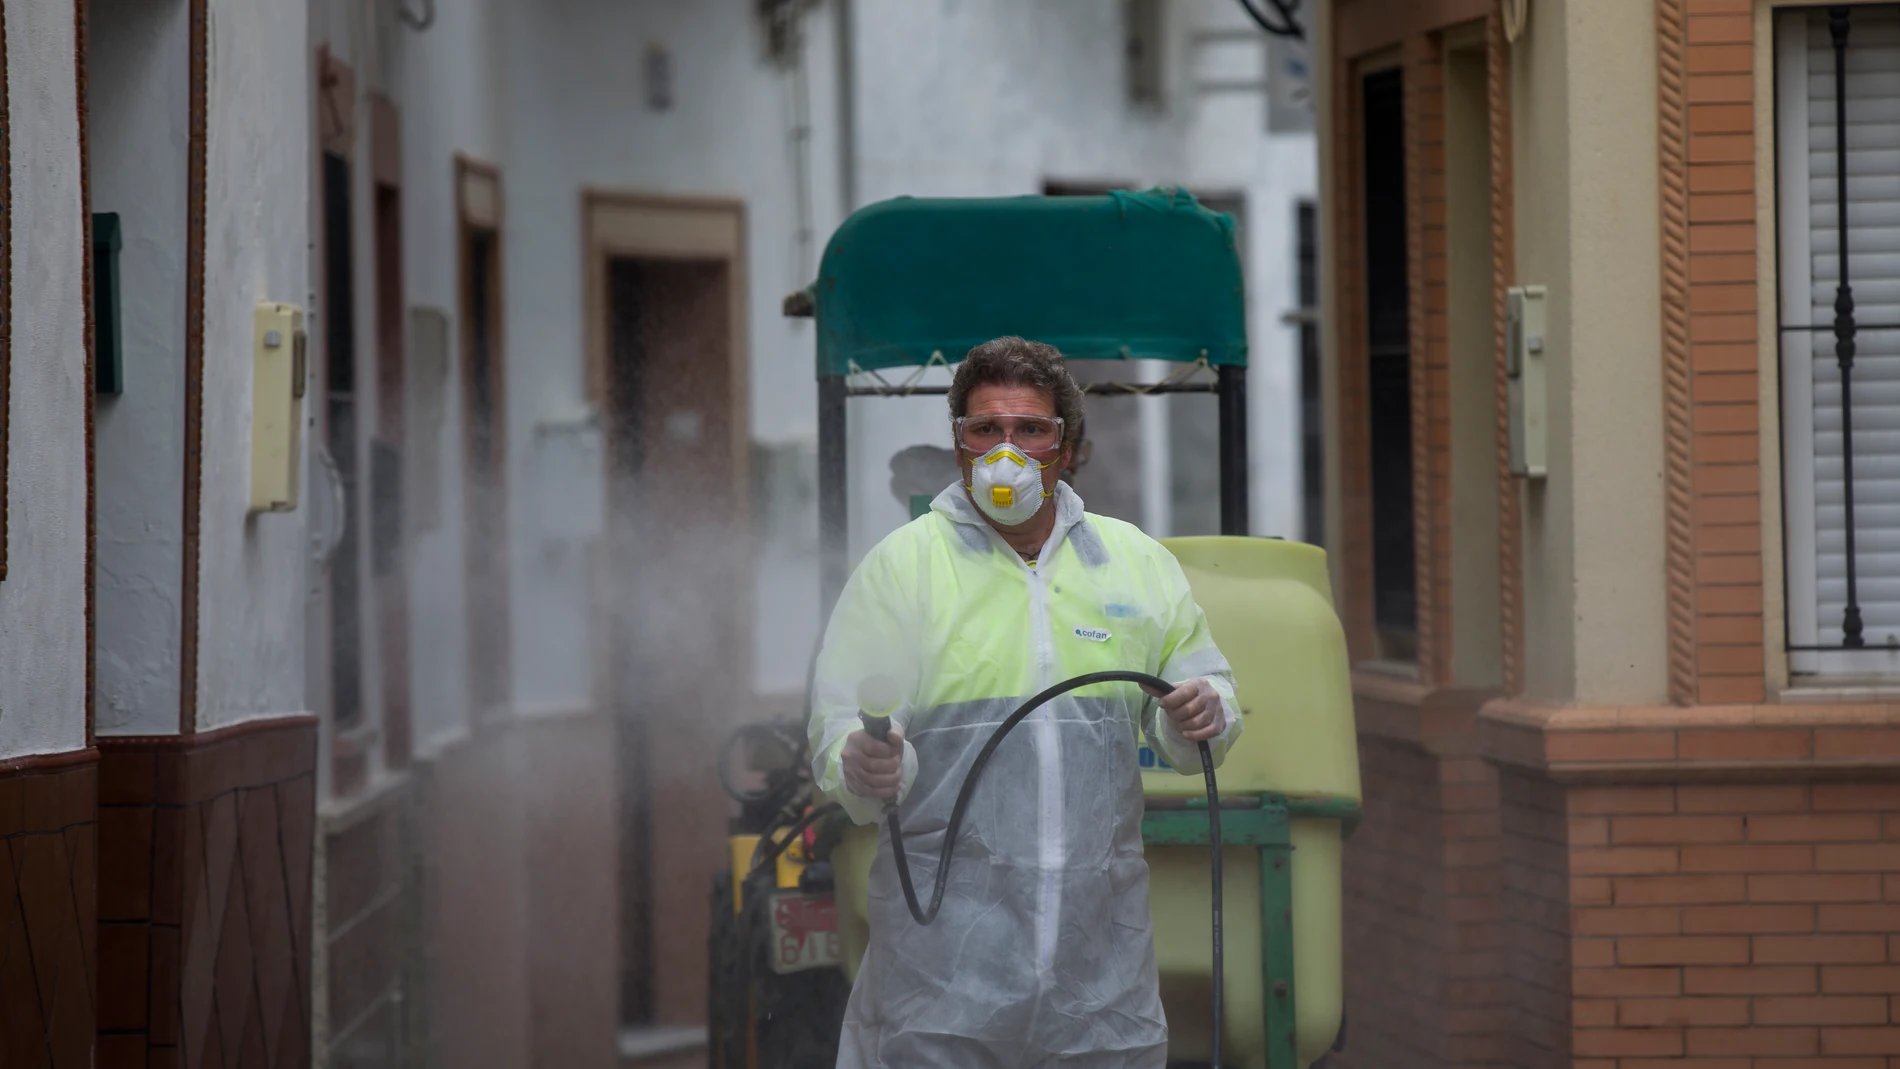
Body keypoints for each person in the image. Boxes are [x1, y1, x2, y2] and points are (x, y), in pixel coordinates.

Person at [808, 336, 1242, 1068]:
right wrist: (861, 760)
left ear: (1067, 448)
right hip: (943, 993)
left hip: (1098, 993)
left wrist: (1204, 712)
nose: (1005, 452)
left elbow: (1209, 697)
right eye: (985, 430)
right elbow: (839, 723)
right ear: (959, 444)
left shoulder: (1134, 564)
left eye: (1030, 430)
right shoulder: (906, 568)